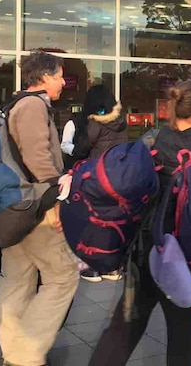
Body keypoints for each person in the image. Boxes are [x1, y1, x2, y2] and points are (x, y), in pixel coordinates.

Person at [90, 80, 191, 366]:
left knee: (125, 325)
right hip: (182, 254)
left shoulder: (150, 141)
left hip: (144, 247)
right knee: (183, 331)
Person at [0, 51, 79, 366]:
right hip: (36, 207)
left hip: (16, 205)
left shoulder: (16, 104)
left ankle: (13, 353)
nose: (62, 82)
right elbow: (37, 158)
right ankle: (24, 355)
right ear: (44, 77)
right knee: (63, 276)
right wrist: (55, 202)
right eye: (59, 75)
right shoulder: (32, 106)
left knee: (17, 279)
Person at [60, 84, 128, 283]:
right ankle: (112, 267)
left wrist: (69, 149)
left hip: (96, 178)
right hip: (116, 177)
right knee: (112, 222)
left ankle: (91, 267)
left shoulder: (94, 124)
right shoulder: (121, 123)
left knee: (91, 221)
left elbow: (81, 150)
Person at [61, 83, 127, 170]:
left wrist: (73, 150)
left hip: (98, 171)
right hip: (118, 169)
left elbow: (82, 148)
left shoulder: (94, 123)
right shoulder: (121, 122)